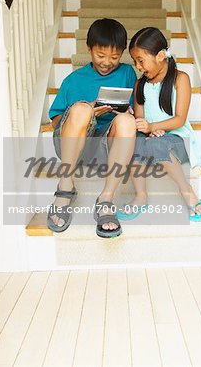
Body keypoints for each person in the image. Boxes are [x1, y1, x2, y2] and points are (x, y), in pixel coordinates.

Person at [47, 18, 137, 238]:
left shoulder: (127, 74)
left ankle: (106, 198)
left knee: (127, 122)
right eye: (100, 55)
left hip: (106, 146)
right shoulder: (73, 80)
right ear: (89, 49)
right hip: (74, 147)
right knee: (82, 110)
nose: (107, 62)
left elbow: (134, 109)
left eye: (114, 57)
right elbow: (56, 121)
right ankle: (66, 187)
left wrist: (127, 112)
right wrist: (89, 116)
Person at [116, 27, 201, 222]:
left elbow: (180, 119)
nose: (138, 66)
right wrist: (140, 124)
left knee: (157, 143)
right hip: (152, 138)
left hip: (177, 139)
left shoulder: (180, 79)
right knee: (133, 141)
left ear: (160, 56)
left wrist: (154, 127)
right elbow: (141, 120)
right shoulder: (140, 84)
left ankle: (188, 193)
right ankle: (140, 196)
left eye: (141, 60)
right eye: (135, 62)